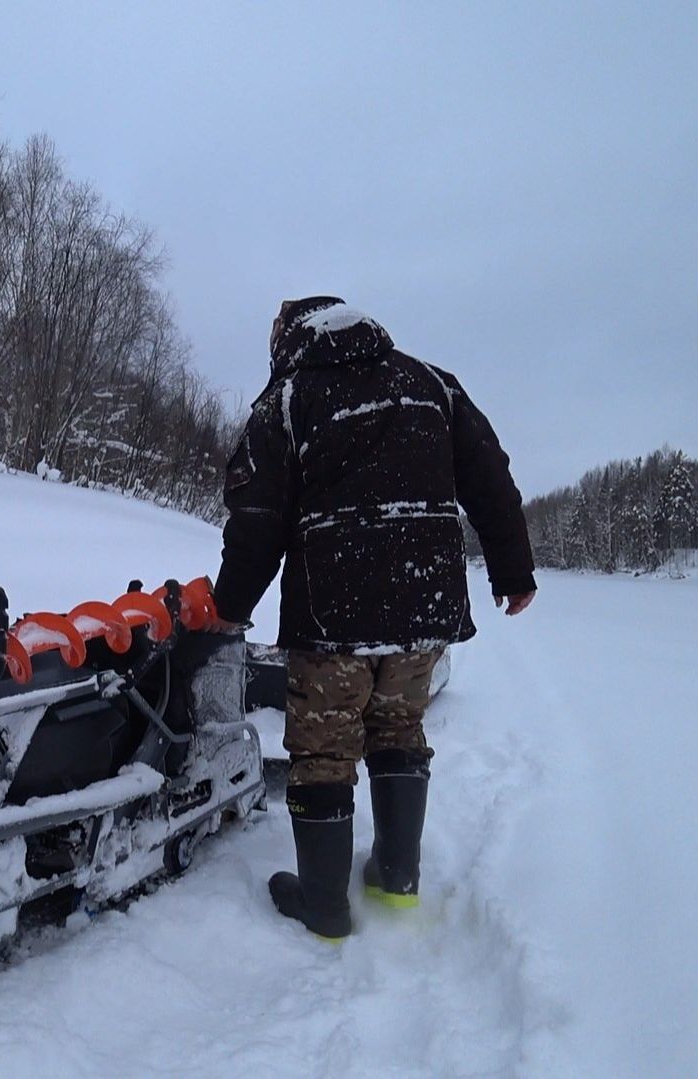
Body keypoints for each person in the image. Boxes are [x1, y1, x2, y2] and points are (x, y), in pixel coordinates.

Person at [205, 296, 536, 941]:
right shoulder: (431, 384)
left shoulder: (289, 400)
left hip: (334, 613)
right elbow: (490, 478)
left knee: (324, 747)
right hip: (425, 601)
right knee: (397, 725)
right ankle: (396, 876)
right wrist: (513, 572)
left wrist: (229, 608)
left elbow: (257, 519)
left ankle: (325, 904)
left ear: (292, 337)